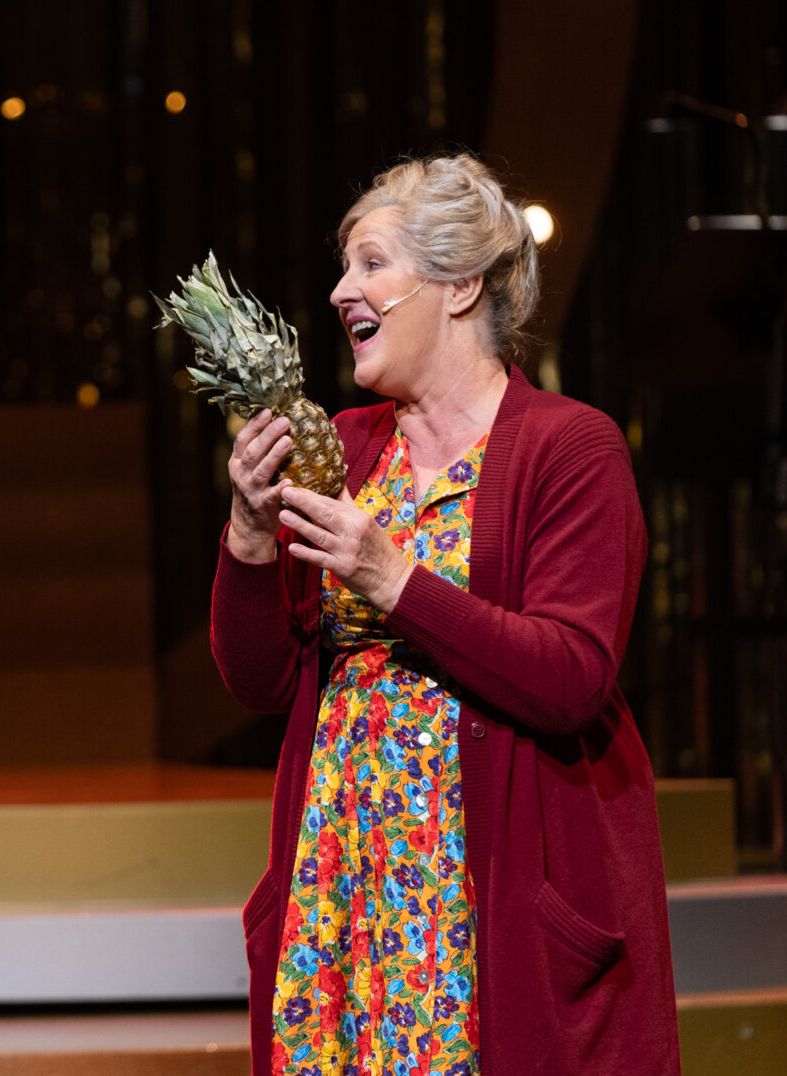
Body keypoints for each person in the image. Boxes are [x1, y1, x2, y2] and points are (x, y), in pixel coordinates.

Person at [211, 155, 678, 1075]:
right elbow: (260, 681)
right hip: (346, 887)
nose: (343, 288)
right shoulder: (343, 447)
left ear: (461, 284)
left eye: (372, 263)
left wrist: (393, 578)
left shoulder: (569, 448)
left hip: (484, 889)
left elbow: (572, 677)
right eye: (345, 266)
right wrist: (248, 534)